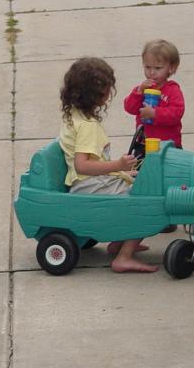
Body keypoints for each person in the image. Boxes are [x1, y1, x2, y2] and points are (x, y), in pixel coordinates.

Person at [59, 57, 158, 273]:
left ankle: (118, 243)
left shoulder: (74, 115)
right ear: (98, 95)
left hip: (89, 183)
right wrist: (118, 165)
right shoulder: (88, 126)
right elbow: (82, 166)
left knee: (137, 183)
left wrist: (121, 171)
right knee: (147, 203)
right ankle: (124, 257)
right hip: (91, 186)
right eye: (107, 89)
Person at [123, 39, 185, 148]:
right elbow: (129, 108)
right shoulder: (143, 88)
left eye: (158, 68)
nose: (152, 72)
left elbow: (177, 113)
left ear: (171, 68)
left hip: (167, 145)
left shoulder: (172, 90)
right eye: (147, 67)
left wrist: (155, 113)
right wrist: (139, 92)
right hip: (143, 143)